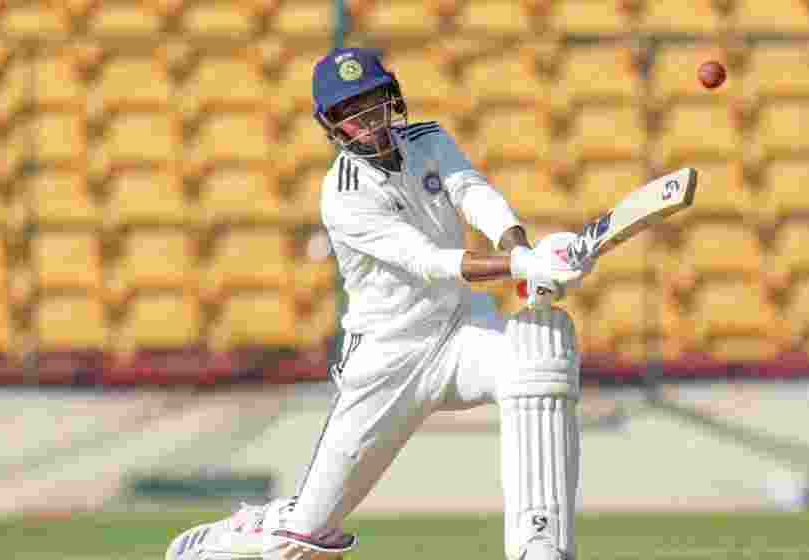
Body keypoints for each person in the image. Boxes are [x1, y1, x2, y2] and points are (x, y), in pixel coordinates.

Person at [166, 47, 595, 560]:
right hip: (388, 358)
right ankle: (248, 531)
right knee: (306, 540)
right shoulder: (342, 194)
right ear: (333, 124)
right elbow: (427, 260)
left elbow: (474, 193)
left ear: (392, 97)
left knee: (538, 356)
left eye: (373, 102)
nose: (368, 120)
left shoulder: (428, 139)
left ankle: (539, 544)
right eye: (351, 111)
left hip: (461, 330)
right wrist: (522, 268)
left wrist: (520, 248)